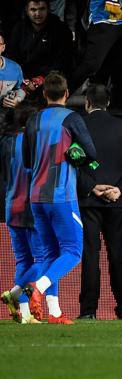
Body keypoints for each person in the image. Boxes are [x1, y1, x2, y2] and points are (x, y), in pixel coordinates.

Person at [22, 71, 96, 324]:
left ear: (45, 95)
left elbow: (27, 160)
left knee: (50, 254)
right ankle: (39, 287)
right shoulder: (72, 118)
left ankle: (54, 313)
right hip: (62, 195)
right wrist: (76, 155)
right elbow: (91, 153)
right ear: (66, 94)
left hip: (36, 195)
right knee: (73, 251)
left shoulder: (33, 120)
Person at [76, 84, 122, 320]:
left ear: (87, 102)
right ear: (108, 103)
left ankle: (88, 311)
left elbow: (71, 163)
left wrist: (92, 187)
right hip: (118, 202)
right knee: (117, 256)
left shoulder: (79, 125)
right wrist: (120, 189)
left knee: (90, 255)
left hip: (88, 202)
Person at [0, 103, 41, 324]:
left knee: (23, 260)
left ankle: (25, 315)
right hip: (32, 207)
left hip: (10, 205)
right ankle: (14, 292)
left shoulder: (6, 142)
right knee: (46, 258)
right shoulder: (35, 143)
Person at [5, 0, 73, 94]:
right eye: (33, 9)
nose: (38, 13)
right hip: (24, 79)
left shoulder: (61, 29)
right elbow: (11, 56)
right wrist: (24, 80)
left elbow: (62, 62)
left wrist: (38, 80)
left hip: (50, 79)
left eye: (42, 9)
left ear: (48, 9)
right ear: (26, 10)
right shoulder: (19, 28)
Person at [0, 33, 26, 113]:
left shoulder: (15, 68)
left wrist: (17, 99)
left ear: (3, 47)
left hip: (6, 117)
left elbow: (22, 88)